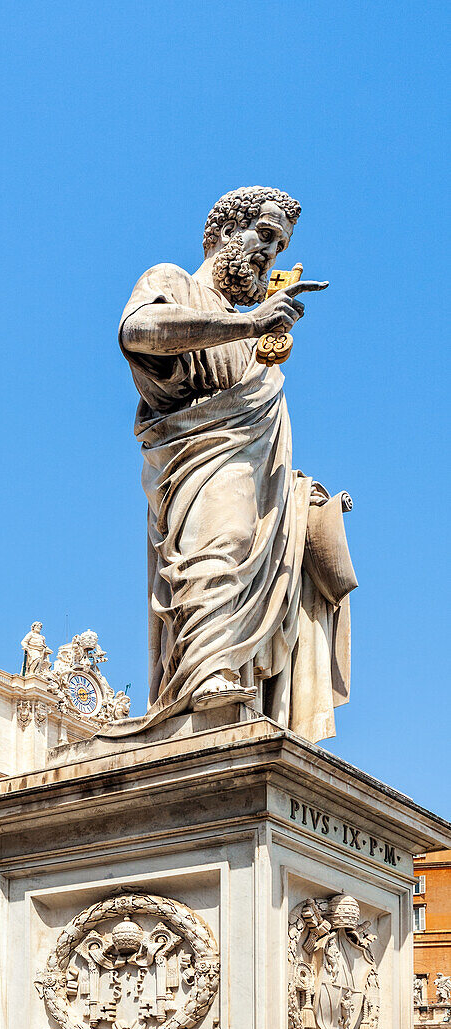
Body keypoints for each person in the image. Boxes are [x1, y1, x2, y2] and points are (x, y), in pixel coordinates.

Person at [119, 185, 354, 741]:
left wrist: (302, 500)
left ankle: (232, 687)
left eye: (280, 245)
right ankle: (205, 679)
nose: (270, 254)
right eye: (264, 236)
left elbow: (263, 448)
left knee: (241, 543)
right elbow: (136, 332)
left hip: (251, 479)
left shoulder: (249, 341)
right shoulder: (173, 282)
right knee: (215, 547)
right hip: (195, 459)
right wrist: (250, 325)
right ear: (225, 232)